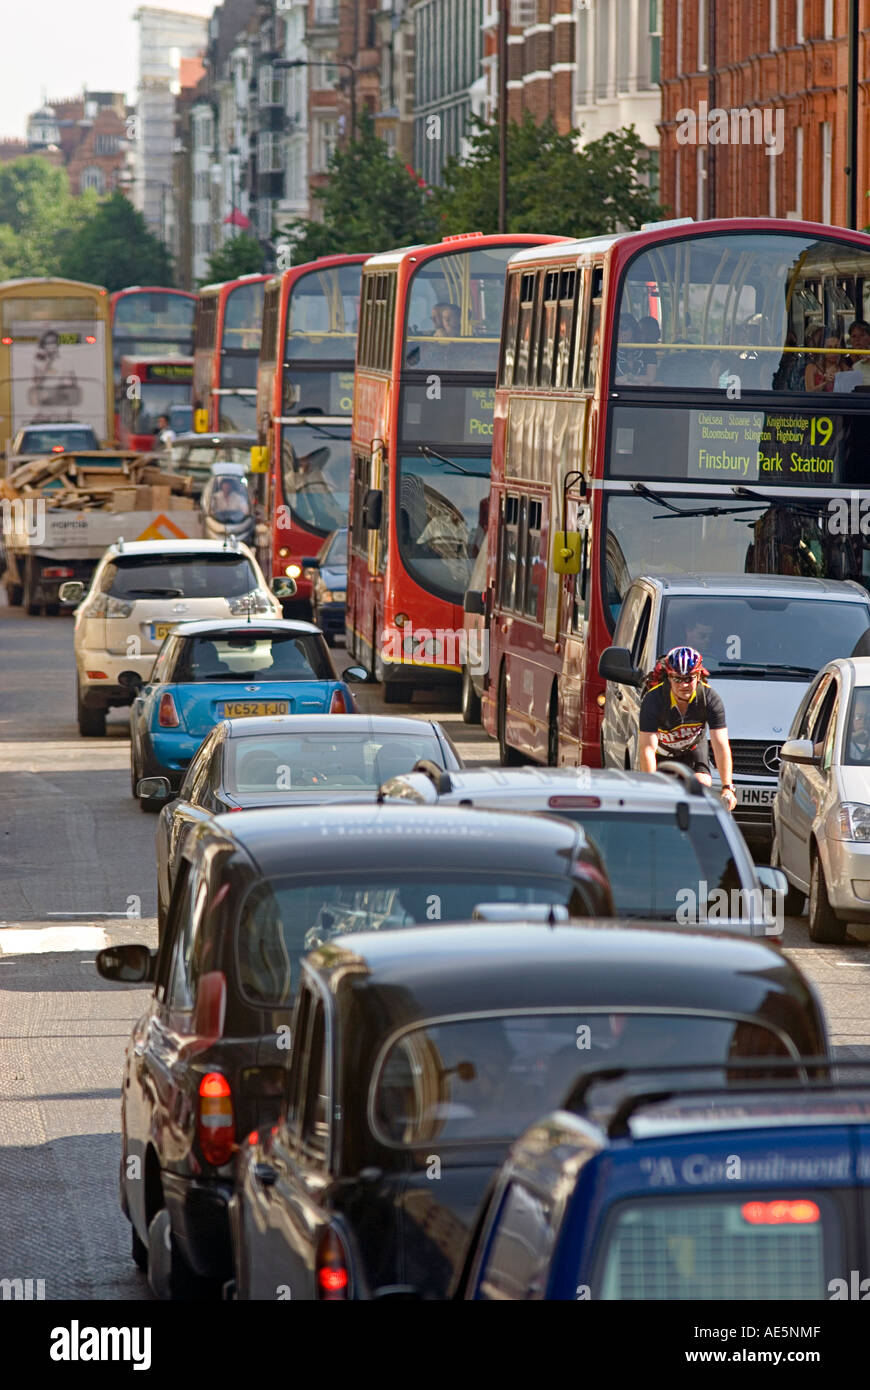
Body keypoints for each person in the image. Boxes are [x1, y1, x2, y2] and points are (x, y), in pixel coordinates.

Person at [637, 645, 737, 811]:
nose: (683, 685)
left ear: (698, 676)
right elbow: (647, 749)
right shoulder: (654, 699)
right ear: (669, 677)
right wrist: (651, 789)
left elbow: (720, 745)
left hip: (692, 748)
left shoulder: (710, 699)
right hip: (661, 753)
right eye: (677, 679)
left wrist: (728, 787)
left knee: (702, 783)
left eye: (689, 678)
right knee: (661, 796)